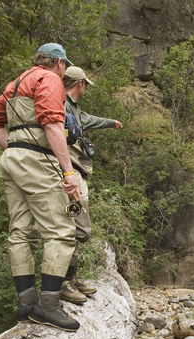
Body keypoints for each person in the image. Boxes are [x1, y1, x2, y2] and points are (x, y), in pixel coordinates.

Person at [0, 43, 81, 331]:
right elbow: (52, 125)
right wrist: (68, 171)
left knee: (21, 233)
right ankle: (49, 306)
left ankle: (25, 304)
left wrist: (15, 147)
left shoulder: (14, 84)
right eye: (64, 67)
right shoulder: (49, 79)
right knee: (61, 231)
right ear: (60, 63)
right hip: (37, 162)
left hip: (11, 160)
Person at [59, 66, 123, 304]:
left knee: (75, 227)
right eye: (86, 84)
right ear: (80, 84)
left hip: (75, 173)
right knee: (74, 225)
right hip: (68, 176)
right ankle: (62, 282)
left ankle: (70, 278)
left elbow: (90, 120)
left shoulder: (73, 108)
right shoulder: (61, 104)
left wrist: (111, 122)